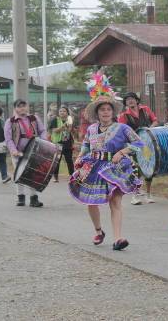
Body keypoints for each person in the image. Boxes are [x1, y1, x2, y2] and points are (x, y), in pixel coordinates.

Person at [68, 73, 141, 251]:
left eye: (108, 109)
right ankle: (99, 231)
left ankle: (118, 238)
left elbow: (139, 143)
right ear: (97, 112)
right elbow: (86, 145)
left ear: (113, 112)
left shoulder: (123, 128)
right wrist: (80, 156)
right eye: (102, 110)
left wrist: (123, 151)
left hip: (115, 168)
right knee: (91, 201)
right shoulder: (91, 129)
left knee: (115, 201)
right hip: (93, 167)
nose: (106, 112)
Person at [4, 99, 46, 207]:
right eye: (19, 106)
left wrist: (42, 142)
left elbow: (42, 131)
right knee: (19, 174)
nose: (22, 108)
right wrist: (14, 151)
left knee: (33, 174)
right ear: (15, 108)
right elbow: (8, 139)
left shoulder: (34, 118)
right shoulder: (10, 121)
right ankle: (20, 197)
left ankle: (34, 199)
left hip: (33, 151)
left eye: (24, 106)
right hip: (18, 152)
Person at [118, 92, 158, 205]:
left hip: (147, 144)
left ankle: (149, 194)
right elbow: (121, 130)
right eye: (127, 100)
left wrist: (149, 129)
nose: (130, 101)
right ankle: (135, 196)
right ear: (125, 103)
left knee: (149, 167)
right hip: (133, 145)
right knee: (136, 168)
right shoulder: (123, 115)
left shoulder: (145, 109)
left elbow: (155, 120)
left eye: (132, 99)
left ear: (137, 100)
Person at [48, 106, 75, 183]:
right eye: (60, 111)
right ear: (58, 113)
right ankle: (56, 178)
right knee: (57, 161)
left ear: (67, 113)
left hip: (67, 143)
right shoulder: (55, 120)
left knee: (69, 160)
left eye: (64, 111)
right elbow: (55, 131)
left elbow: (69, 131)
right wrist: (63, 126)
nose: (62, 112)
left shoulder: (69, 120)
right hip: (58, 143)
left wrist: (69, 124)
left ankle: (72, 177)